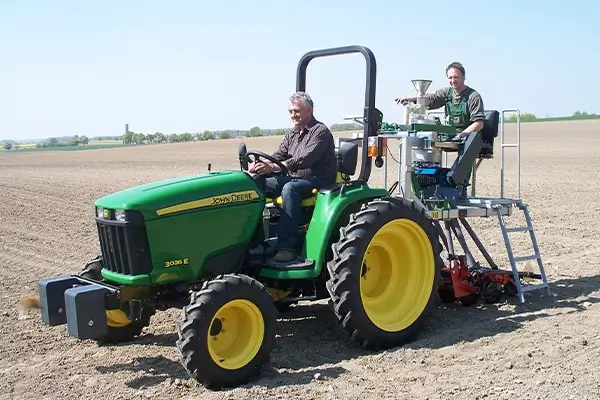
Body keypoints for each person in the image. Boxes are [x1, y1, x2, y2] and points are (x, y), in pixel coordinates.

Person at [249, 91, 337, 263]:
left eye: (296, 111)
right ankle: (257, 242)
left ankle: (287, 247)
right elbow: (279, 154)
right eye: (290, 111)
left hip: (318, 179)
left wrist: (273, 167)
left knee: (290, 189)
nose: (292, 115)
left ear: (310, 110)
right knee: (257, 184)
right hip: (295, 177)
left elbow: (304, 159)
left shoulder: (321, 132)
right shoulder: (293, 133)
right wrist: (259, 163)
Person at [395, 61, 485, 140]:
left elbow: (479, 123)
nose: (453, 80)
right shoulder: (446, 93)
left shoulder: (473, 96)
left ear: (464, 77)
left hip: (469, 138)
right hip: (450, 135)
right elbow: (431, 99)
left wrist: (461, 135)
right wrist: (412, 99)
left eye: (456, 77)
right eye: (450, 78)